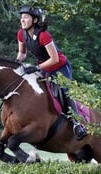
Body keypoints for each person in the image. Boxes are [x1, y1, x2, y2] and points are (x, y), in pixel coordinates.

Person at [15, 5, 87, 140]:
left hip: (59, 66)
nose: (22, 20)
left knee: (64, 90)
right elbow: (22, 53)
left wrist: (37, 68)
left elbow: (54, 59)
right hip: (43, 66)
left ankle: (77, 124)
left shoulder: (44, 35)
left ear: (35, 20)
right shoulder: (21, 34)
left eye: (26, 17)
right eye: (21, 17)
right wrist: (17, 62)